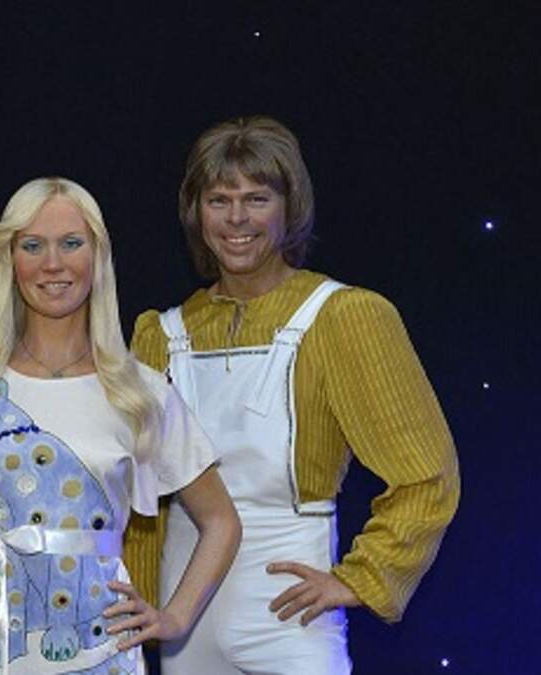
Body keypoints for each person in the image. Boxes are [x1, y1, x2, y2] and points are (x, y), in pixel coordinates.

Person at [122, 116, 461, 674]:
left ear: (290, 207)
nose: (236, 218)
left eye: (257, 199)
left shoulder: (343, 318)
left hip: (289, 620)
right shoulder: (159, 335)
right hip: (186, 625)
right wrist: (133, 616)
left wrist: (363, 577)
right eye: (219, 200)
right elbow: (139, 501)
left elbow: (429, 473)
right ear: (196, 213)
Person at [0, 177, 240, 674]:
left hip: (95, 649)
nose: (53, 264)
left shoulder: (139, 394)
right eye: (33, 245)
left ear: (98, 256)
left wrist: (175, 617)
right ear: (10, 260)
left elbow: (221, 521)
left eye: (71, 243)